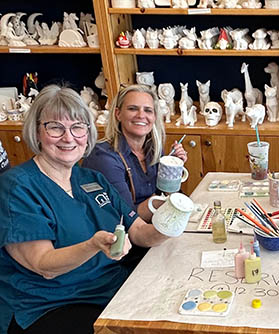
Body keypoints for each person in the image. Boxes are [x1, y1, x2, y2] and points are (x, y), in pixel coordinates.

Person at [0, 84, 172, 334]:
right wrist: (93, 244)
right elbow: (43, 265)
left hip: (110, 288)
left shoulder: (91, 179)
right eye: (55, 127)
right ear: (37, 132)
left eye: (77, 127)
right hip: (51, 304)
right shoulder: (17, 187)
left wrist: (173, 222)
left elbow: (139, 233)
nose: (69, 137)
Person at [82, 84, 187, 223]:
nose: (141, 115)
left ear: (155, 116)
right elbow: (126, 216)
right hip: (121, 238)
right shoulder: (104, 158)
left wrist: (171, 172)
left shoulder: (153, 149)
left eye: (148, 110)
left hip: (153, 226)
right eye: (133, 109)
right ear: (118, 114)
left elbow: (167, 193)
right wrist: (169, 202)